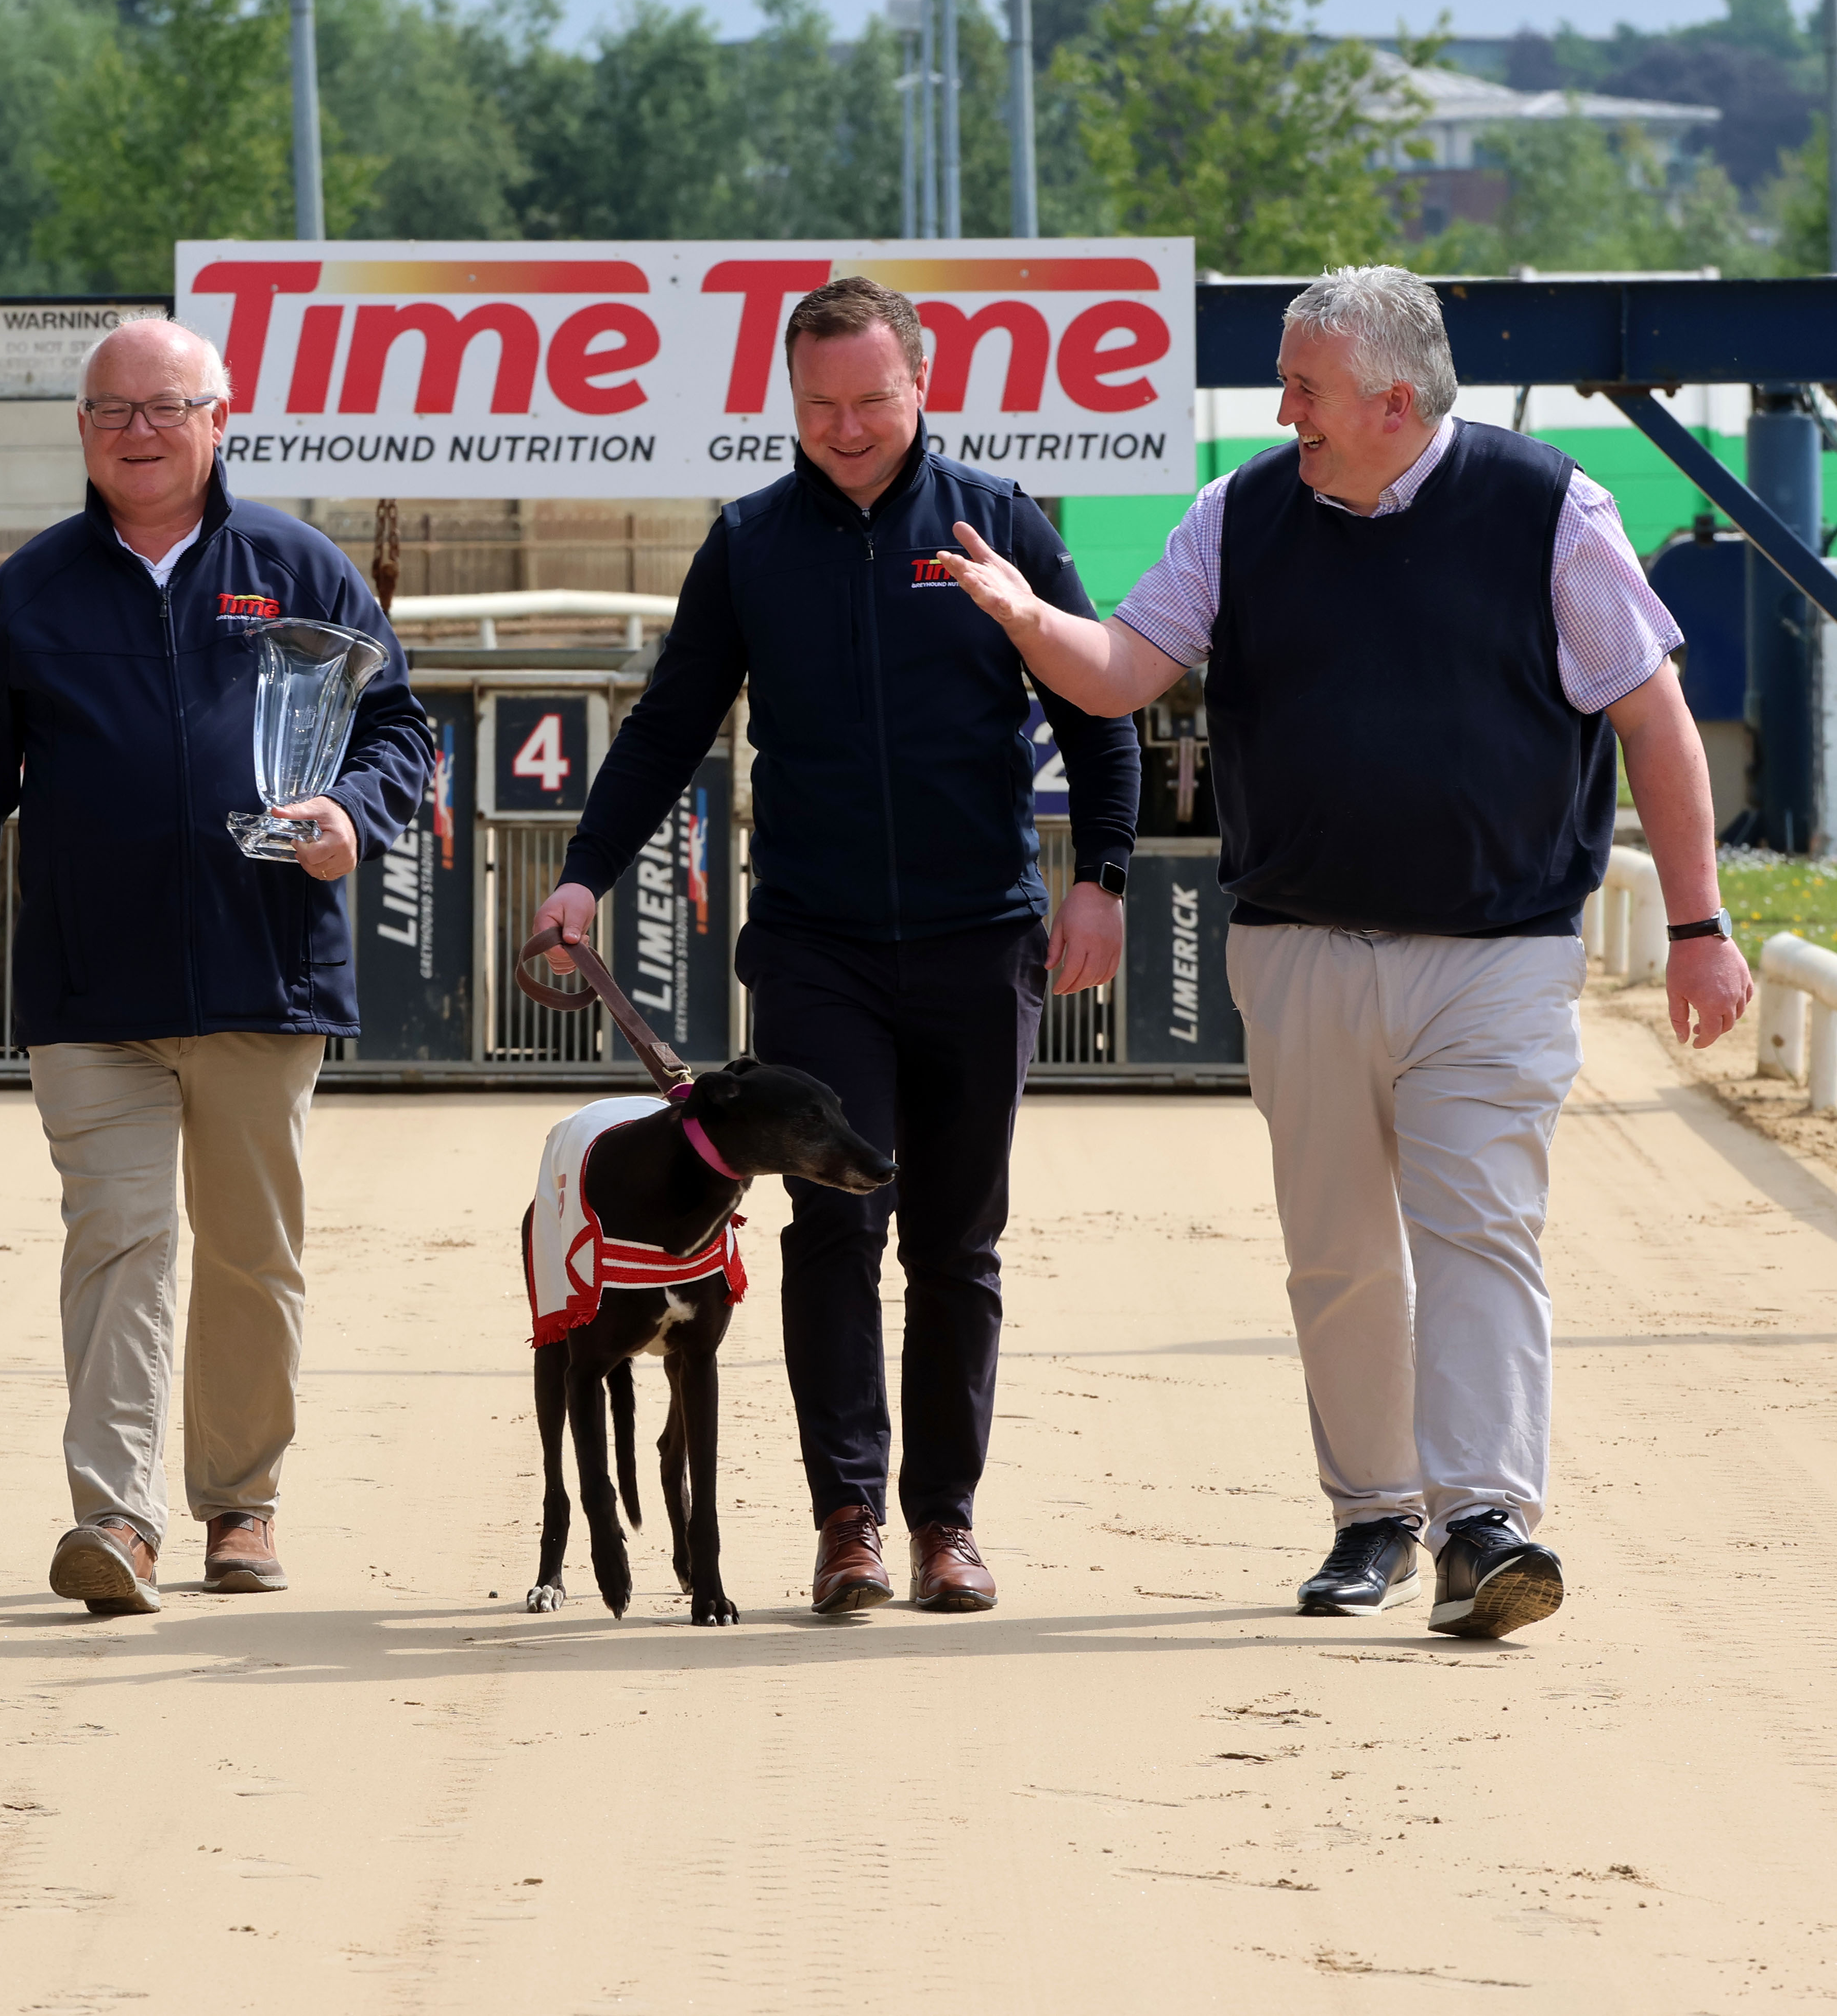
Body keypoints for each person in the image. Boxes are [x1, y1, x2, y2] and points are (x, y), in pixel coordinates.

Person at [945, 262, 1750, 1639]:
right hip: (1301, 945)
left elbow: (1657, 721)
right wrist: (1028, 622)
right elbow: (1123, 674)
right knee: (1337, 1250)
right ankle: (1372, 1511)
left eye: (1304, 386)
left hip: (1496, 952)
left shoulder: (1551, 508)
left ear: (1393, 397)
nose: (1283, 408)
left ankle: (1485, 1521)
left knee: (1480, 1231)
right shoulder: (1242, 511)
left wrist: (1700, 924)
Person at [531, 276, 1140, 1617]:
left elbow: (1102, 709)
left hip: (985, 937)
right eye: (820, 405)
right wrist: (583, 875)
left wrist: (1099, 879)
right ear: (788, 399)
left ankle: (948, 1522)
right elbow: (669, 726)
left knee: (958, 1242)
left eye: (873, 399)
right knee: (834, 1224)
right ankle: (849, 1518)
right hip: (817, 946)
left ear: (925, 386)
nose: (848, 427)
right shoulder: (750, 542)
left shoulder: (1003, 526)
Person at [0, 318, 431, 1616]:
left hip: (262, 975)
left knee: (249, 1253)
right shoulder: (31, 594)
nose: (138, 430)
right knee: (117, 1243)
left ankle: (240, 1504)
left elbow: (397, 726)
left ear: (217, 419)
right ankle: (114, 1520)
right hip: (89, 993)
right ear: (81, 432)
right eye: (112, 410)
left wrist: (356, 812)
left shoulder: (296, 568)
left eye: (165, 407)